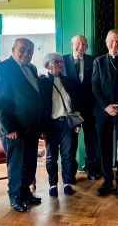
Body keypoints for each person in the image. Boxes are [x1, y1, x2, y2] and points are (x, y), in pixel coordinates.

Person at [0, 38, 42, 213]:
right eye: (22, 49)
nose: (26, 53)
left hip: (32, 126)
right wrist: (8, 128)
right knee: (16, 164)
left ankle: (25, 192)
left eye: (30, 51)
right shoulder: (1, 69)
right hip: (14, 129)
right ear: (13, 50)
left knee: (29, 163)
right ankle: (14, 196)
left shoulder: (32, 68)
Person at [92, 29, 118, 198]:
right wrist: (106, 106)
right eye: (112, 41)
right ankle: (107, 180)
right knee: (104, 147)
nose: (115, 44)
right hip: (103, 112)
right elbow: (95, 86)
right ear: (106, 42)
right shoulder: (98, 61)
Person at [40, 53, 81, 198]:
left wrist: (78, 123)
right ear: (48, 65)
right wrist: (42, 128)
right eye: (56, 62)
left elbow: (76, 103)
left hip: (67, 124)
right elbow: (40, 107)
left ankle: (67, 183)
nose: (59, 64)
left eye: (61, 62)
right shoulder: (43, 83)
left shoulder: (68, 81)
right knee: (51, 157)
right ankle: (52, 184)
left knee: (68, 155)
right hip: (50, 125)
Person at [62, 35, 101, 182]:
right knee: (71, 143)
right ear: (72, 44)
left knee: (91, 142)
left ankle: (91, 170)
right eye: (78, 44)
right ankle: (70, 174)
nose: (81, 47)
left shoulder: (93, 60)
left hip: (90, 109)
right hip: (71, 111)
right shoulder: (63, 60)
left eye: (84, 44)